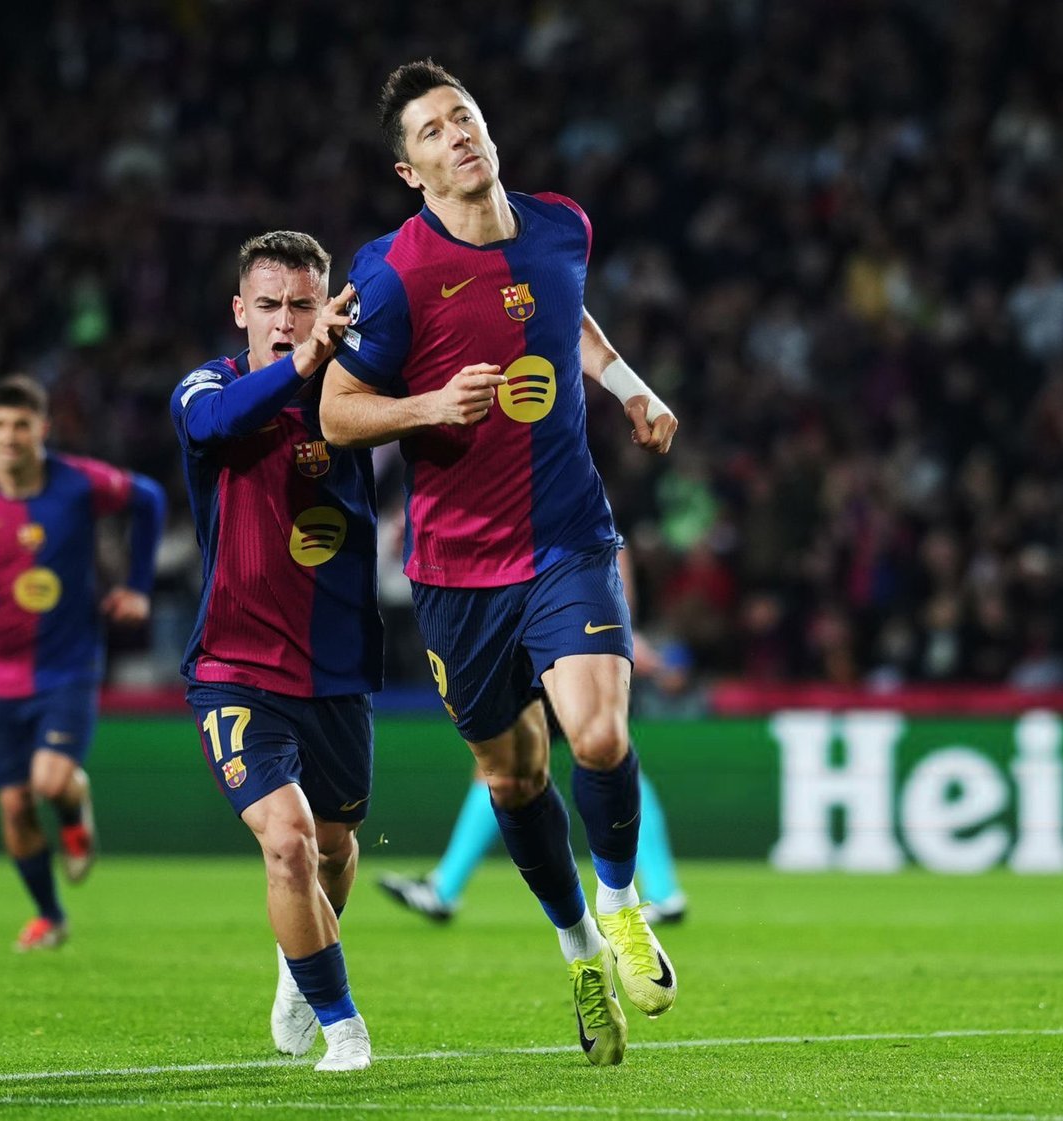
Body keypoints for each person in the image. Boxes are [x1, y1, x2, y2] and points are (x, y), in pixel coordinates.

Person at [319, 61, 680, 1066]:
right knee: (512, 777)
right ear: (410, 169)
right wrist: (430, 406)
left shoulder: (561, 225)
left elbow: (566, 314)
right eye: (433, 131)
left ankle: (620, 903)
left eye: (464, 116)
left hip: (567, 538)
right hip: (456, 571)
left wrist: (630, 387)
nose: (458, 136)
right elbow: (336, 412)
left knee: (598, 733)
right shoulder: (391, 272)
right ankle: (576, 947)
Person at [170, 231, 379, 1072]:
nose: (285, 320)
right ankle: (344, 1026)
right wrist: (302, 365)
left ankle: (299, 966)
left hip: (335, 667)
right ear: (240, 310)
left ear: (326, 305)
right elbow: (217, 423)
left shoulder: (353, 391)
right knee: (287, 840)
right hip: (235, 665)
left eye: (301, 304)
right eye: (269, 305)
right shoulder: (207, 387)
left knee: (333, 847)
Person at [0, 375, 164, 951]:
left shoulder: (78, 483)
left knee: (48, 780)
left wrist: (137, 585)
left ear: (43, 430)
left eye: (22, 425)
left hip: (69, 664)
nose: (10, 436)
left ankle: (75, 813)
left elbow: (149, 499)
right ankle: (50, 916)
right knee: (14, 805)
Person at [379, 550, 689, 926]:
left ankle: (444, 888)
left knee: (530, 763)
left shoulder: (564, 532)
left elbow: (606, 572)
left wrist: (617, 631)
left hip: (558, 647)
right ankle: (663, 891)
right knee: (602, 756)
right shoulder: (579, 531)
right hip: (564, 641)